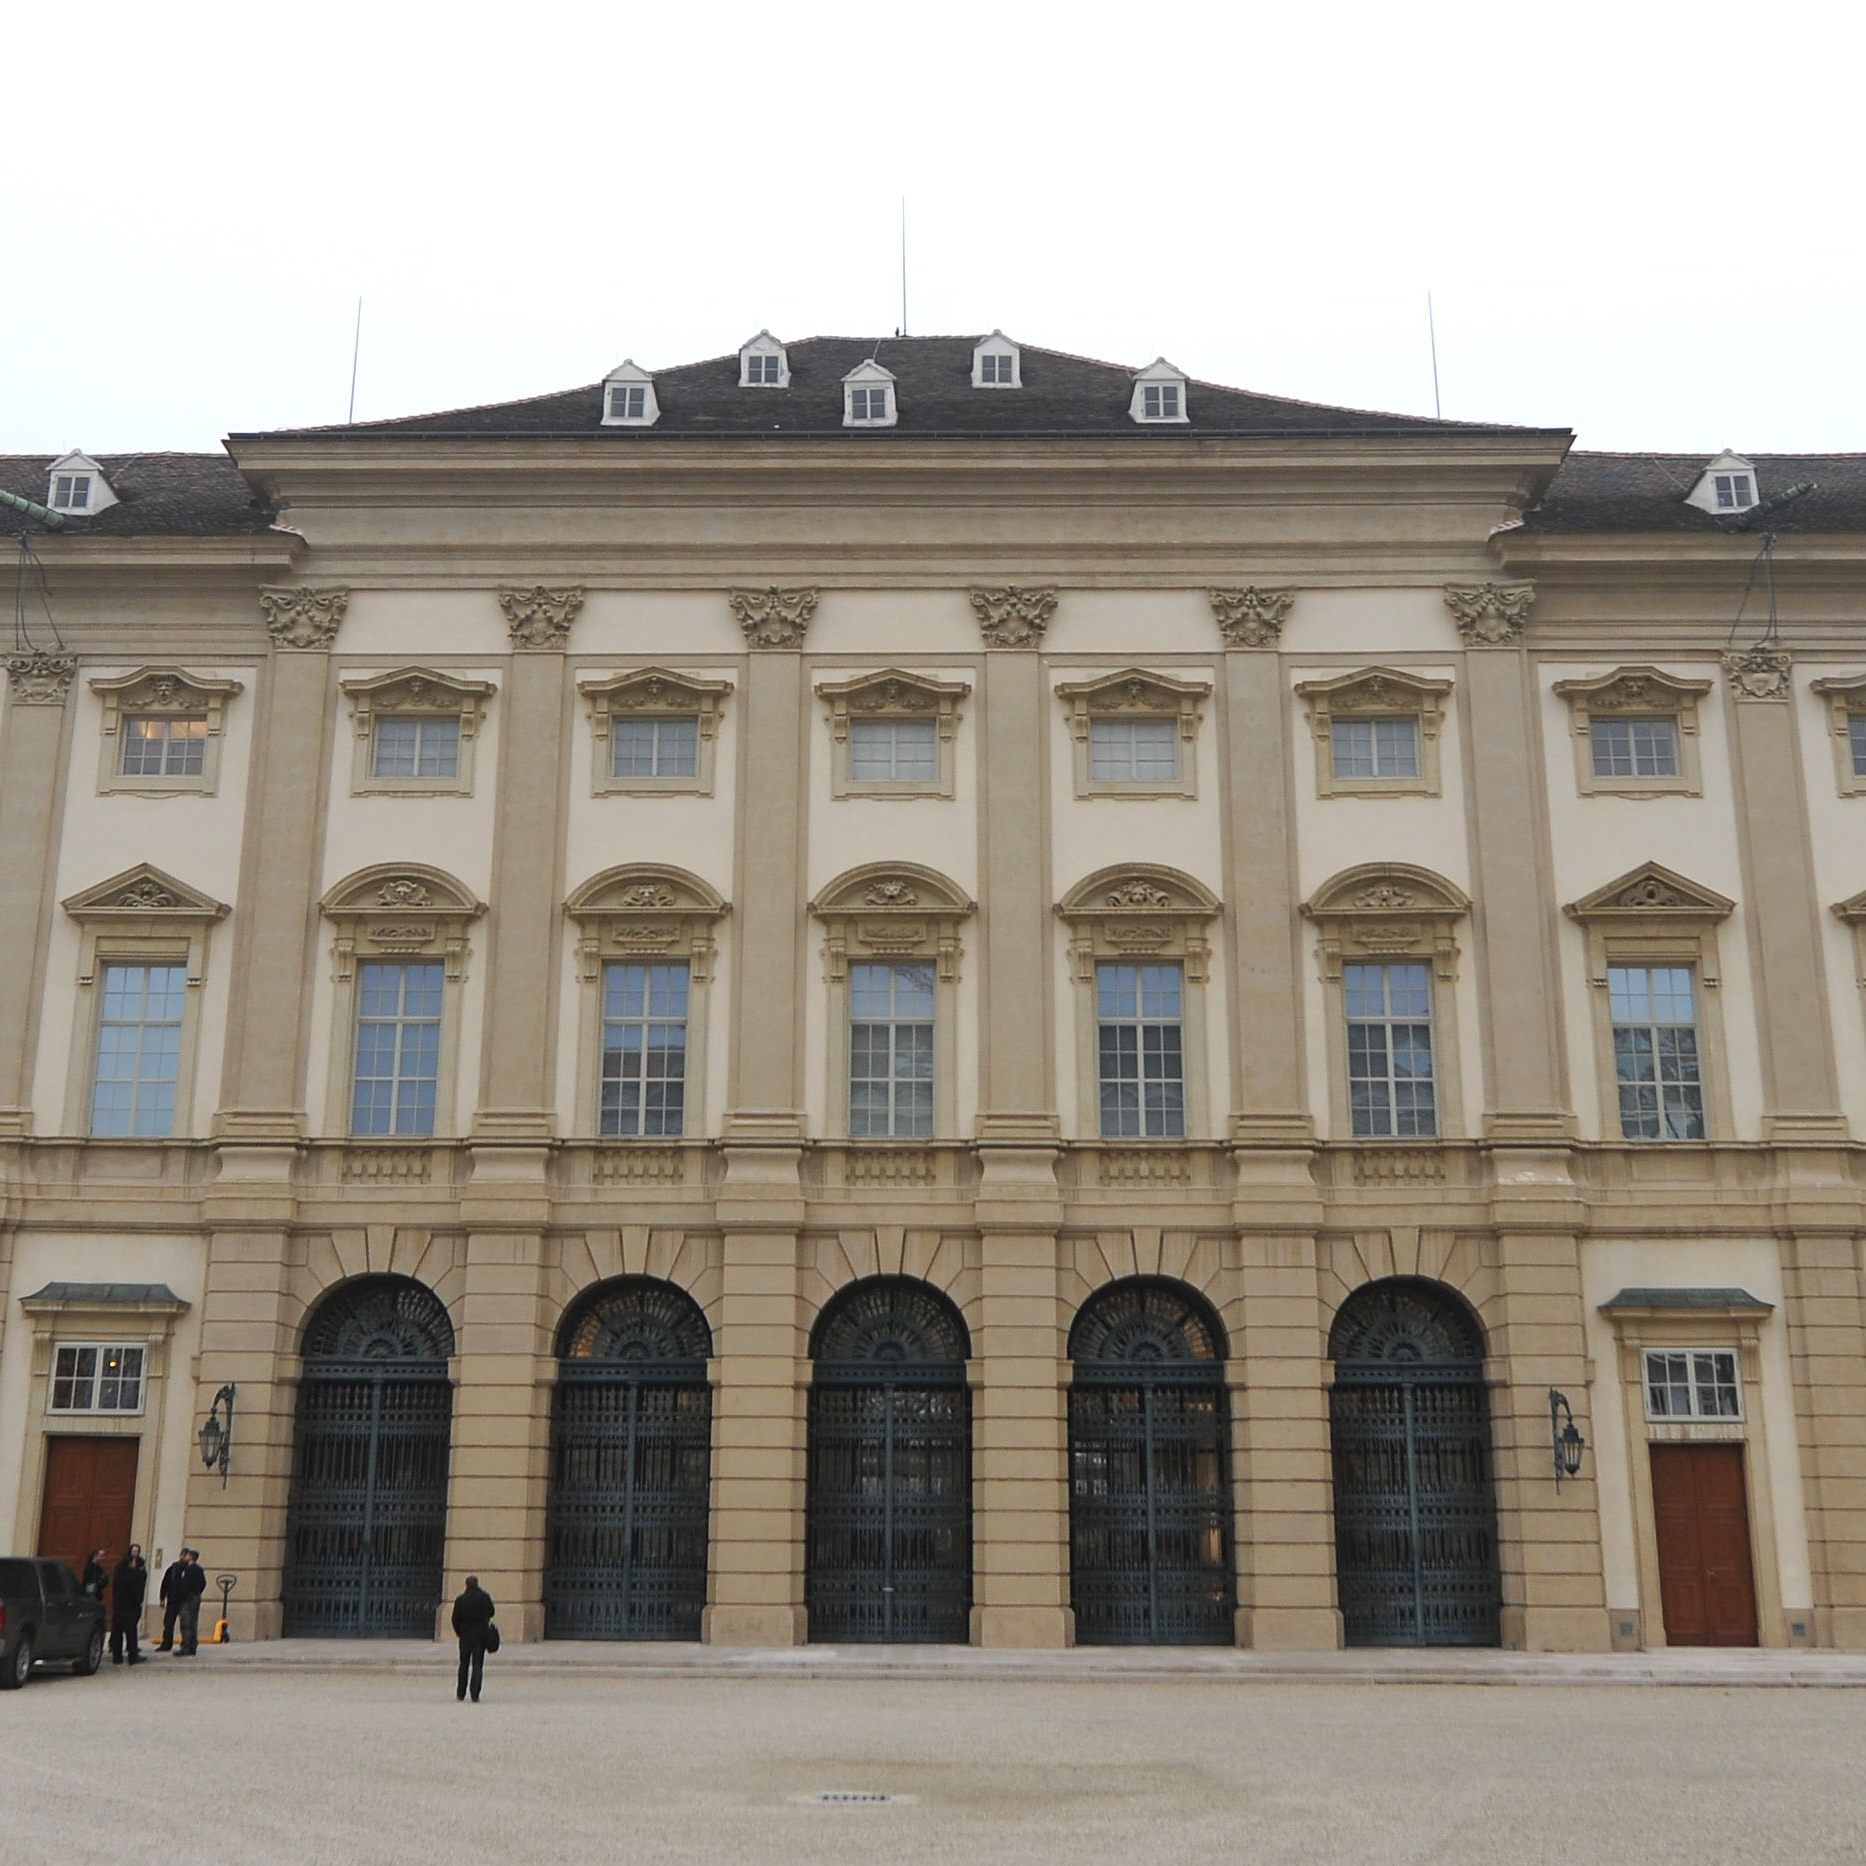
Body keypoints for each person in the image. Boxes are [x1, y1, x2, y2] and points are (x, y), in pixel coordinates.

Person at [451, 1575, 495, 1703]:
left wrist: (459, 1632)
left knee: (463, 1665)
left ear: (466, 1585)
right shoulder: (484, 1597)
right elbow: (492, 1612)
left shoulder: (461, 1599)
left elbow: (455, 1619)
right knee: (477, 1665)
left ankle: (461, 1693)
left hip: (465, 1636)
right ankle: (475, 1694)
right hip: (480, 1636)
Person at [110, 1545, 148, 1664]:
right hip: (122, 1604)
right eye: (133, 1551)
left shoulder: (141, 1565)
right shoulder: (122, 1566)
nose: (135, 1553)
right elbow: (120, 1583)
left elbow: (141, 1582)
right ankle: (118, 1657)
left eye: (137, 1551)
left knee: (131, 1632)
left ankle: (133, 1655)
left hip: (132, 1604)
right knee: (118, 1632)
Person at [173, 1549, 208, 1656]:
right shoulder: (199, 1569)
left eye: (187, 1555)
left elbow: (185, 1585)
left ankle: (186, 1647)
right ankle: (193, 1646)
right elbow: (203, 1583)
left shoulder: (188, 1570)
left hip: (187, 1599)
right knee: (194, 1622)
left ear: (191, 1557)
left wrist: (182, 1597)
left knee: (186, 1623)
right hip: (196, 1597)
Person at [155, 1551, 189, 1650]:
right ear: (181, 1556)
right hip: (172, 1600)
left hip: (184, 1601)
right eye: (184, 1555)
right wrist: (162, 1598)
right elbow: (165, 1583)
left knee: (185, 1625)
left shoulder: (190, 1568)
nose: (185, 1558)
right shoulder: (173, 1568)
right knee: (168, 1624)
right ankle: (166, 1644)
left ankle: (185, 1645)